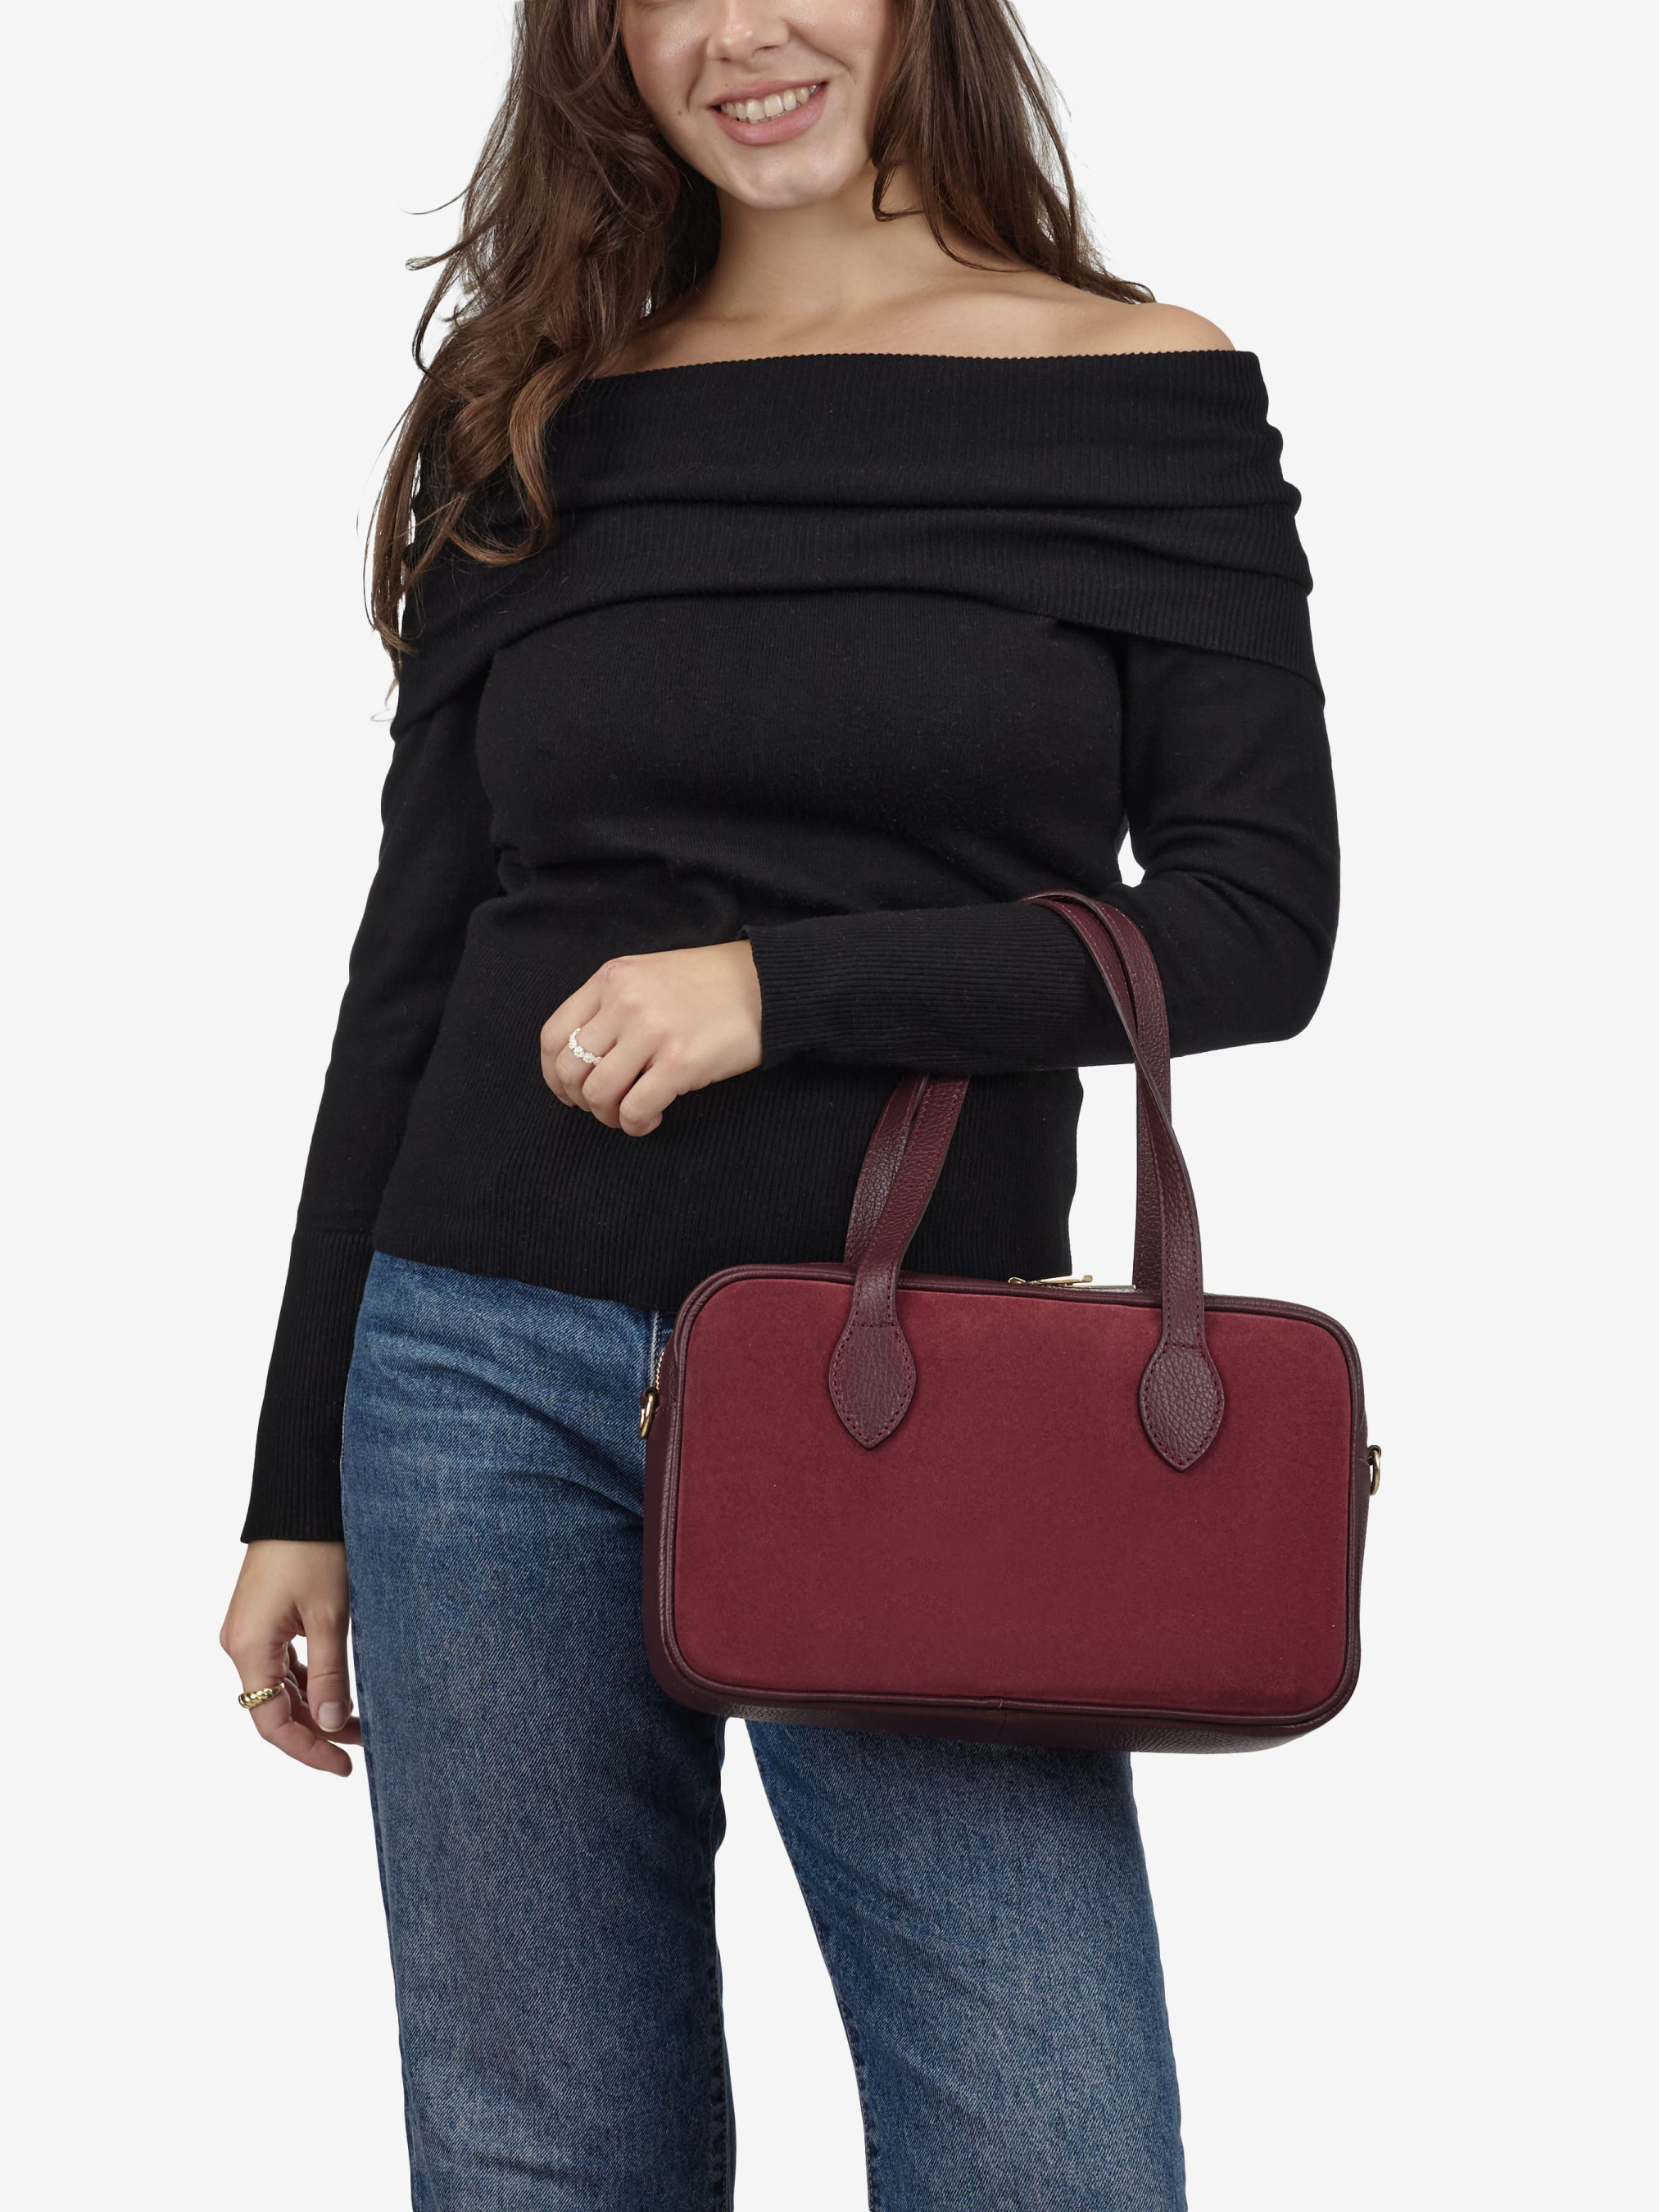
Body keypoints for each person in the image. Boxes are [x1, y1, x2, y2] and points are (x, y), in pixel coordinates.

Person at [220, 2, 1339, 2205]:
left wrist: (782, 993)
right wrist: (295, 1479)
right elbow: (410, 973)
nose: (742, 30)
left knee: (1047, 2154)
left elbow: (1253, 925)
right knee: (543, 2156)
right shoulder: (538, 413)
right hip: (476, 1367)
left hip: (910, 1378)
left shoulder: (1136, 393)